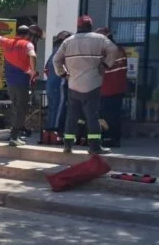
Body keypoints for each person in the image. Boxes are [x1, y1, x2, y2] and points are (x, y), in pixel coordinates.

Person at [52, 15, 122, 155]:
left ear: (78, 26)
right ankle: (95, 147)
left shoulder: (68, 41)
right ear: (90, 26)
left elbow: (56, 60)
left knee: (72, 116)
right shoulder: (100, 39)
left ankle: (68, 145)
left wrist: (63, 74)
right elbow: (114, 50)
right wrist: (105, 65)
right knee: (92, 116)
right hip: (93, 84)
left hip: (73, 84)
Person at [0, 18, 40, 147]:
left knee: (16, 108)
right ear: (28, 34)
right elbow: (33, 56)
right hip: (22, 81)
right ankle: (14, 137)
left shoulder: (7, 42)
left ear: (17, 33)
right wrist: (33, 71)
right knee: (21, 109)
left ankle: (15, 134)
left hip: (10, 82)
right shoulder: (27, 44)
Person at [96, 27, 128, 148]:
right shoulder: (119, 49)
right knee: (114, 114)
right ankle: (114, 138)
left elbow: (101, 70)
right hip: (117, 88)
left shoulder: (107, 51)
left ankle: (110, 138)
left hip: (108, 89)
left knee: (107, 116)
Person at [44, 31, 71, 135]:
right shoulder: (64, 52)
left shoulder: (54, 51)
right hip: (59, 83)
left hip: (50, 83)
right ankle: (55, 130)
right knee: (59, 107)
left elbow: (46, 69)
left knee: (52, 107)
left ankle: (49, 129)